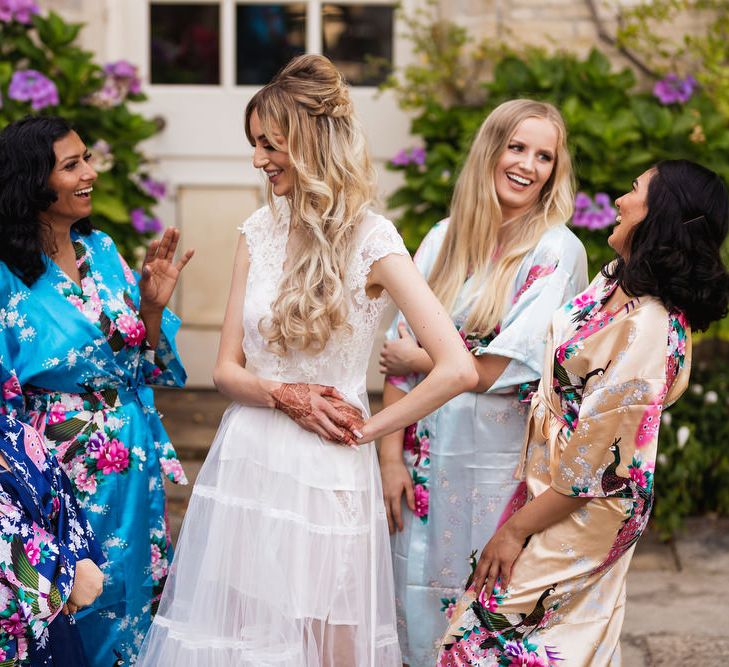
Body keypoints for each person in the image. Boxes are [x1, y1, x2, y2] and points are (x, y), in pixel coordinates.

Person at [137, 54, 476, 667]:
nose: (259, 159)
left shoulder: (374, 241)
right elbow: (225, 372)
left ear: (315, 143)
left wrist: (369, 430)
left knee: (330, 643)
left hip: (328, 471)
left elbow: (457, 367)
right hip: (249, 459)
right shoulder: (257, 231)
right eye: (255, 144)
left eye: (273, 144)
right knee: (241, 640)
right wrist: (284, 395)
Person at [437, 159, 729, 666]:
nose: (619, 200)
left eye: (634, 190)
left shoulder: (650, 329)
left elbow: (593, 469)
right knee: (555, 643)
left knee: (480, 640)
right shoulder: (615, 280)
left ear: (659, 212)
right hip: (549, 483)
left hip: (588, 506)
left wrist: (513, 531)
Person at [377, 99, 588, 665]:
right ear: (490, 151)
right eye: (517, 147)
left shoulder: (556, 250)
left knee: (485, 621)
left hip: (495, 473)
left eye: (544, 156)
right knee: (410, 607)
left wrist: (426, 359)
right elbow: (394, 355)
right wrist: (389, 458)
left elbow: (497, 369)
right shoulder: (443, 239)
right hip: (420, 465)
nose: (528, 165)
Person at [0, 115, 193, 665]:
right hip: (58, 467)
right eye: (72, 164)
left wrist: (151, 307)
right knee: (75, 599)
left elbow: (139, 361)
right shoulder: (6, 276)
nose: (91, 172)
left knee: (135, 597)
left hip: (132, 458)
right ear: (33, 181)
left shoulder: (101, 249)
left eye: (87, 158)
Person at [0, 414, 105, 666]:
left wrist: (74, 566)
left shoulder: (17, 434)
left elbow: (61, 506)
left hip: (48, 621)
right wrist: (63, 573)